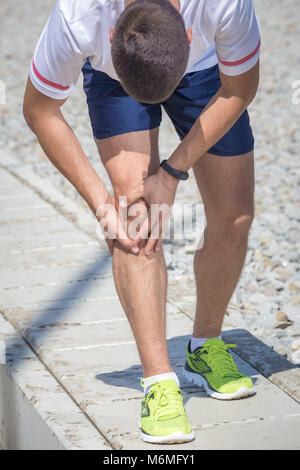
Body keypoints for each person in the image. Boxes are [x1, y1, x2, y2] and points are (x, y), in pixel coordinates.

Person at [23, 0, 260, 444]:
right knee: (136, 219)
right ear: (111, 37)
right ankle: (158, 382)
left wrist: (171, 173)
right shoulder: (80, 15)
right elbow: (40, 111)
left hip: (209, 75)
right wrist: (101, 202)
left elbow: (239, 89)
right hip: (117, 79)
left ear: (189, 35)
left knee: (235, 216)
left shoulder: (225, 6)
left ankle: (205, 345)